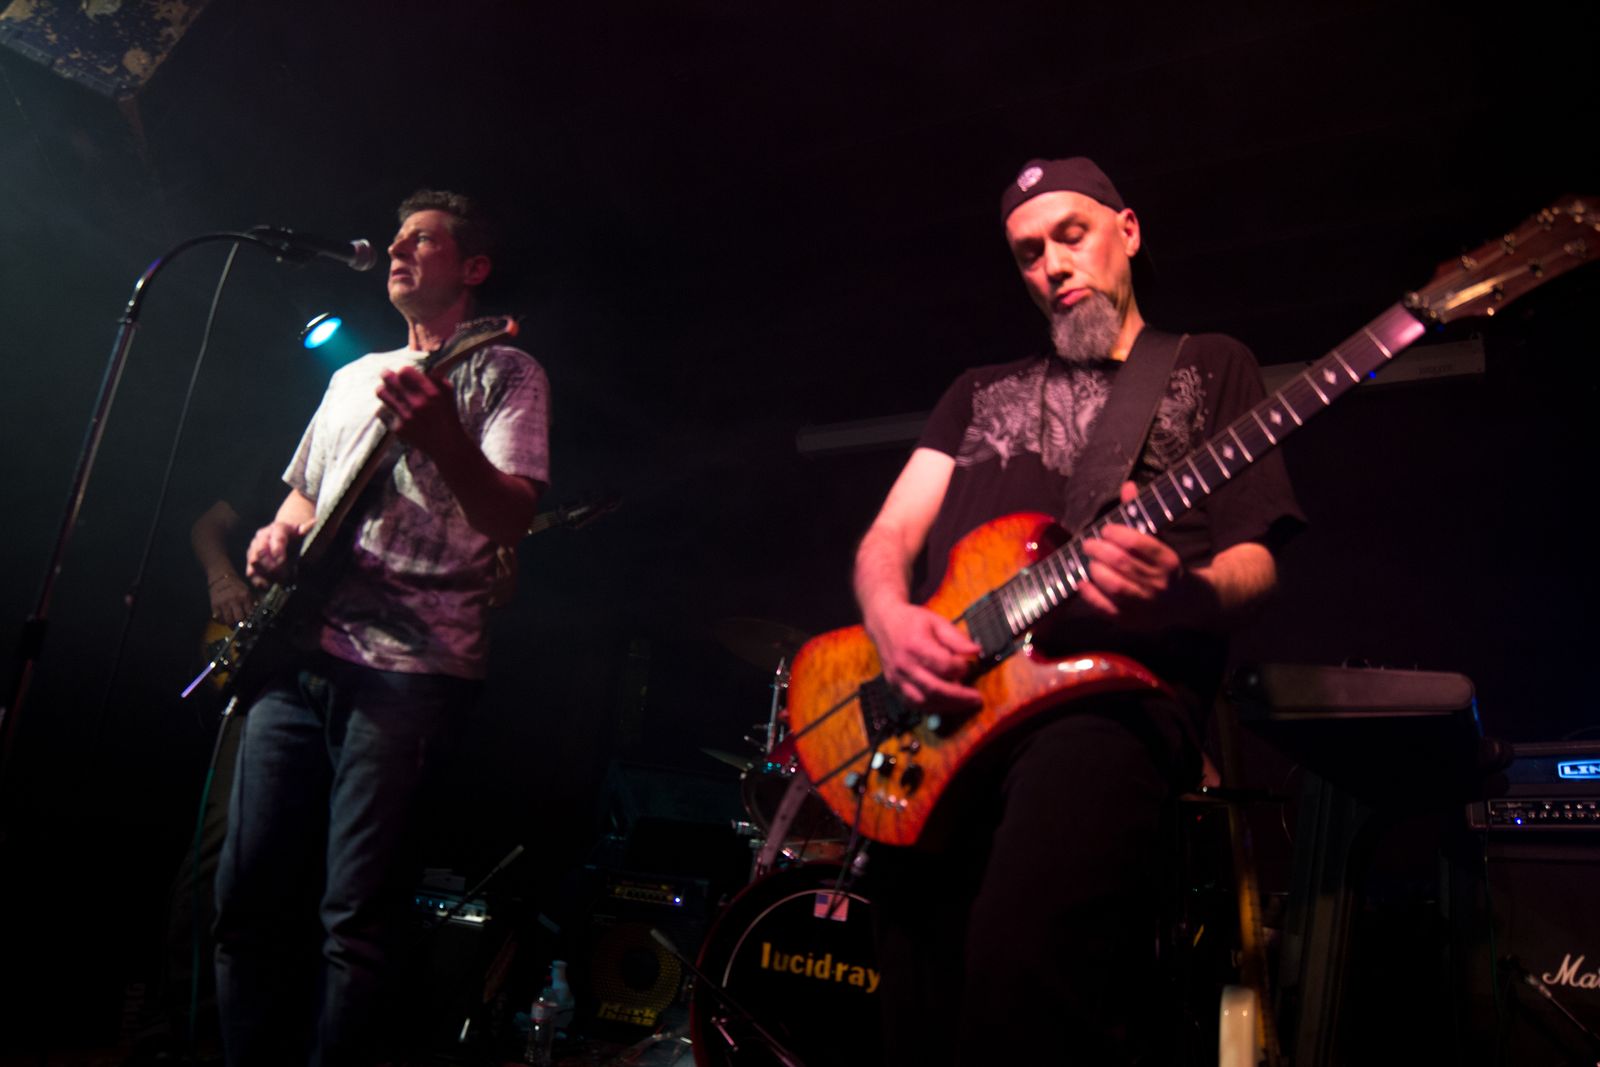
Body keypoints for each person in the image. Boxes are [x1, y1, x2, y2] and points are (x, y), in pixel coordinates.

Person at [852, 157, 1303, 1065]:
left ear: (1127, 231)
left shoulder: (1210, 365)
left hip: (1107, 703)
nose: (1053, 265)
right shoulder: (977, 390)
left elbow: (1256, 560)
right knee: (913, 997)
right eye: (1029, 253)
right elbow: (888, 536)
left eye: (1072, 235)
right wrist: (891, 619)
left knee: (1025, 976)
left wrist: (1186, 590)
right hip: (947, 722)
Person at [212, 189, 549, 1067]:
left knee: (357, 919)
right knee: (245, 900)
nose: (397, 250)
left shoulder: (507, 370)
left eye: (422, 240)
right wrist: (274, 535)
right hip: (297, 656)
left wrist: (444, 438)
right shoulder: (351, 374)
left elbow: (511, 516)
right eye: (396, 239)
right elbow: (303, 497)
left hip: (410, 670)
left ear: (472, 268)